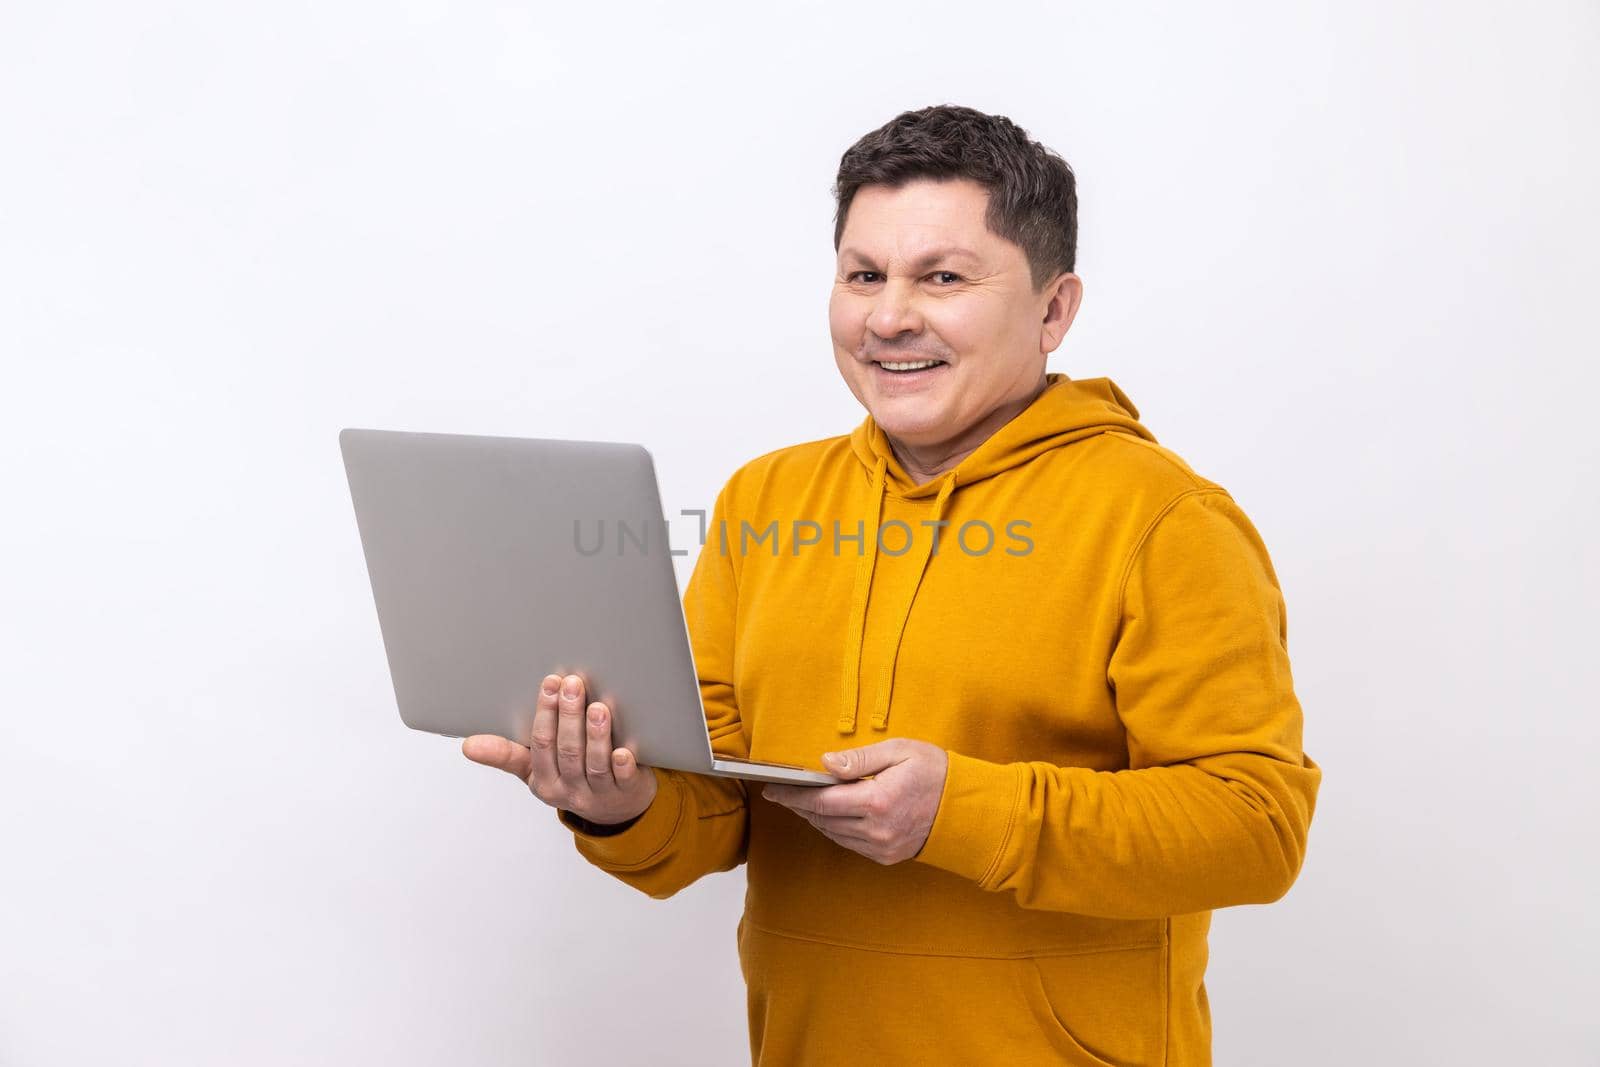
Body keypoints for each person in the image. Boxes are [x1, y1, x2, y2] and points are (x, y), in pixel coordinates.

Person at [463, 103, 1322, 1065]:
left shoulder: (1165, 519)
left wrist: (960, 812)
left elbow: (1258, 825)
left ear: (1054, 309)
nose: (887, 315)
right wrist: (613, 800)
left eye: (943, 277)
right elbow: (714, 809)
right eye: (863, 275)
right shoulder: (766, 499)